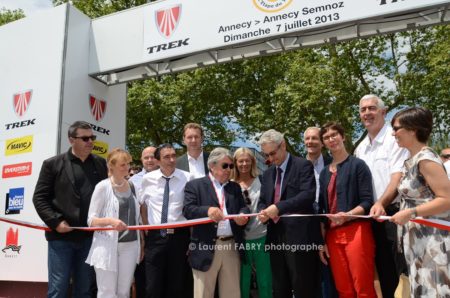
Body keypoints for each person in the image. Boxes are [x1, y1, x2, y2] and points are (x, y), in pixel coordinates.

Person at [33, 120, 108, 298]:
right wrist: (56, 221)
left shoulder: (100, 163)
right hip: (61, 238)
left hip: (90, 238)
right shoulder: (52, 164)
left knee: (84, 289)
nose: (90, 142)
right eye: (85, 138)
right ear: (71, 140)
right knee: (58, 289)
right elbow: (39, 197)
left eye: (92, 137)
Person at [389, 107, 450, 297]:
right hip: (417, 242)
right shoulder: (411, 160)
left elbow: (447, 199)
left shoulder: (426, 159)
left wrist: (411, 213)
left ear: (413, 129)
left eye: (397, 128)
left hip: (433, 241)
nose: (393, 133)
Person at [354, 94, 410, 298]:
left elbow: (397, 177)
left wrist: (380, 203)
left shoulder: (395, 140)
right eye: (363, 109)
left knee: (402, 271)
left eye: (372, 108)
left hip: (394, 214)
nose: (367, 113)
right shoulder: (360, 149)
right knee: (382, 271)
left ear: (383, 112)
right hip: (371, 217)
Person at [257, 129, 320, 298]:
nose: (270, 158)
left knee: (302, 286)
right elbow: (263, 200)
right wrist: (262, 213)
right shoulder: (268, 173)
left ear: (283, 145)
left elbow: (307, 195)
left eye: (272, 153)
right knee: (279, 287)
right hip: (274, 236)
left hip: (298, 237)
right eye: (266, 155)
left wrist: (279, 207)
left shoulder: (302, 165)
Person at [318, 122, 376, 298]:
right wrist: (322, 242)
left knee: (363, 287)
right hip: (332, 235)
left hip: (357, 231)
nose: (331, 139)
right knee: (343, 289)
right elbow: (322, 209)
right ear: (323, 143)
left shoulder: (358, 165)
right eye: (326, 137)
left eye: (334, 135)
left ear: (343, 137)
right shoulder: (324, 173)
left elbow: (367, 202)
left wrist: (348, 215)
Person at [183, 147, 249, 298]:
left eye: (231, 166)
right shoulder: (195, 185)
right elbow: (188, 210)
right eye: (225, 165)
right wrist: (207, 211)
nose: (229, 169)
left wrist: (243, 216)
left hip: (231, 245)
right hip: (205, 246)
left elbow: (243, 207)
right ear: (212, 166)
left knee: (232, 293)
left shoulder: (234, 187)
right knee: (203, 293)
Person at [85, 148, 142, 298]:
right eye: (123, 164)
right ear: (112, 166)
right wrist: (110, 221)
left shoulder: (133, 186)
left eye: (128, 164)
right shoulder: (102, 187)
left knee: (124, 292)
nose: (127, 168)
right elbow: (91, 220)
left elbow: (137, 219)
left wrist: (141, 243)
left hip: (130, 246)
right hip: (107, 246)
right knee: (107, 293)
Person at [140, 144, 192, 298]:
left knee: (176, 285)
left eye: (174, 155)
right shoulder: (147, 179)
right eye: (166, 157)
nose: (172, 160)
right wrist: (146, 227)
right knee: (153, 286)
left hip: (179, 238)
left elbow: (191, 210)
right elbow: (143, 205)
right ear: (157, 161)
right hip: (155, 238)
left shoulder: (187, 178)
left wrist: (191, 239)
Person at [231, 147, 272, 298]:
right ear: (235, 163)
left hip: (262, 236)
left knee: (265, 280)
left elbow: (268, 202)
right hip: (240, 240)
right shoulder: (230, 184)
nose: (244, 164)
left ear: (253, 162)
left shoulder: (262, 180)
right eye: (240, 161)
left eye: (247, 160)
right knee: (242, 281)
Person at [303, 127, 337, 298]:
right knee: (308, 272)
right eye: (307, 138)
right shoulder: (297, 166)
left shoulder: (333, 164)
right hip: (305, 225)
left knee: (328, 270)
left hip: (328, 223)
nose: (310, 142)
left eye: (314, 138)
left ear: (322, 142)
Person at [129, 146, 159, 298]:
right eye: (146, 157)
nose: (149, 160)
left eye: (153, 156)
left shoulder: (166, 176)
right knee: (142, 278)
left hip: (162, 234)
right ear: (141, 160)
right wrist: (141, 235)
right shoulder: (133, 181)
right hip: (141, 234)